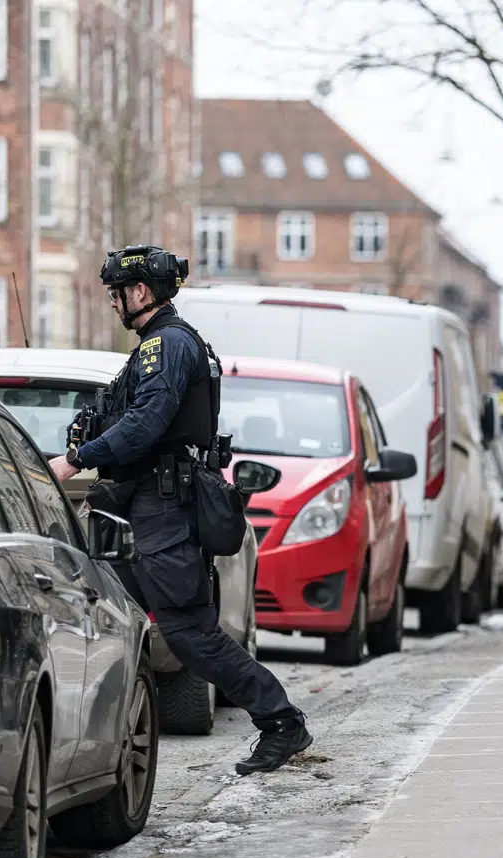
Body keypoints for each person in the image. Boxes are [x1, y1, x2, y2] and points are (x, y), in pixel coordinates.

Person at [48, 245, 311, 776]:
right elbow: (137, 415)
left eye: (117, 294)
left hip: (165, 510)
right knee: (102, 599)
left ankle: (281, 721)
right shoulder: (163, 344)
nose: (113, 304)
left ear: (140, 292)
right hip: (149, 507)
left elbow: (145, 425)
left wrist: (76, 460)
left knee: (190, 632)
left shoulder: (165, 346)